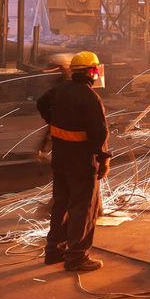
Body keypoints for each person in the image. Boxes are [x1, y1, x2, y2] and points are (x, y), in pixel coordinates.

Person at [36, 50, 111, 271]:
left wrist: (53, 120)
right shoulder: (91, 97)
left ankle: (53, 251)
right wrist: (104, 159)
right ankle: (77, 256)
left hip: (60, 159)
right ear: (92, 71)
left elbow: (41, 103)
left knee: (61, 204)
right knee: (83, 208)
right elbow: (100, 133)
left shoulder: (59, 90)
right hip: (82, 162)